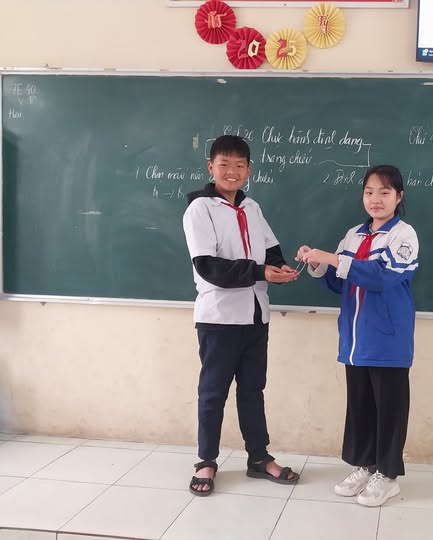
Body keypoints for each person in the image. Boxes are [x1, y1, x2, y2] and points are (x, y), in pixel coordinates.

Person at [182, 135, 300, 496]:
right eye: (224, 164)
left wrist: (281, 268)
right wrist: (261, 272)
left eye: (239, 165)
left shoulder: (252, 208)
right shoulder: (200, 209)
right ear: (211, 168)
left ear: (248, 170)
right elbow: (208, 267)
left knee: (252, 391)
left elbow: (271, 250)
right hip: (219, 318)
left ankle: (259, 457)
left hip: (255, 316)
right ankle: (206, 461)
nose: (231, 172)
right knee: (213, 392)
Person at [295, 164, 419, 507]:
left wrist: (333, 258)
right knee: (361, 406)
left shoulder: (404, 235)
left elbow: (382, 277)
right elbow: (340, 282)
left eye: (384, 192)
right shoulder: (354, 234)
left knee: (389, 409)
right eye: (369, 192)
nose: (375, 199)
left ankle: (388, 476)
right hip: (355, 338)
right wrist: (317, 263)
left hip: (388, 338)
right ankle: (366, 466)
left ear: (399, 196)